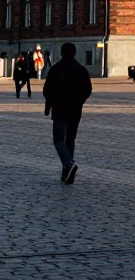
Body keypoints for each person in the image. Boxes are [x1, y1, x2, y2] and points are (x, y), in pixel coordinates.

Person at [43, 42, 92, 184]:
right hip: (75, 111)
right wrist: (79, 101)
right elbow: (87, 90)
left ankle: (69, 164)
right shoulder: (81, 70)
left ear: (61, 53)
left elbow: (47, 91)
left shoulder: (56, 69)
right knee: (70, 140)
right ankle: (67, 174)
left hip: (60, 110)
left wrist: (51, 104)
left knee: (58, 140)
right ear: (75, 53)